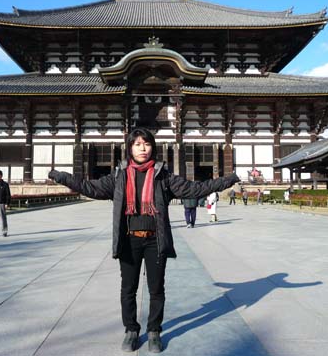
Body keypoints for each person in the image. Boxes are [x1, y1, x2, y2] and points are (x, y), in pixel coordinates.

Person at [48, 127, 239, 353]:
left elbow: (195, 189)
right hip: (129, 240)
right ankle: (131, 330)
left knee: (156, 288)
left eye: (146, 144)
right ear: (129, 148)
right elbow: (91, 188)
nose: (142, 148)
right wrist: (62, 176)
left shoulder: (163, 176)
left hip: (155, 241)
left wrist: (228, 180)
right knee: (128, 288)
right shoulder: (119, 176)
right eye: (137, 144)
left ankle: (154, 331)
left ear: (153, 148)